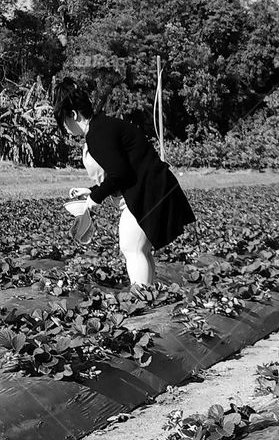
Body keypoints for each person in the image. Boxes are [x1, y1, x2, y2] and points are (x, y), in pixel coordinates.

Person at [52, 78, 196, 288]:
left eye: (63, 121)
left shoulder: (97, 134)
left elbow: (121, 172)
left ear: (73, 115)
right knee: (139, 249)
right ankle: (148, 294)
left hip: (150, 191)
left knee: (131, 247)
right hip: (152, 189)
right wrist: (91, 190)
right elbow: (118, 171)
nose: (65, 128)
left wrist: (94, 199)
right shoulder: (102, 127)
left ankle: (143, 298)